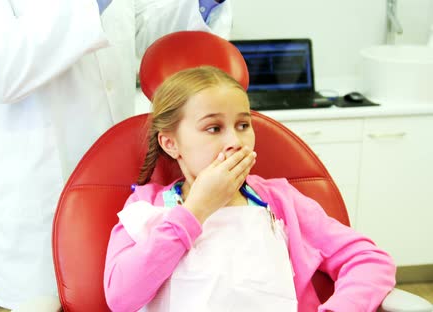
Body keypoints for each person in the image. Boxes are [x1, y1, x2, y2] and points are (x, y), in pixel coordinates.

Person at [0, 0, 232, 309]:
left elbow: (140, 29)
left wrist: (202, 3)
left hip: (111, 179)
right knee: (43, 302)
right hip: (35, 191)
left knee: (121, 291)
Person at [103, 66, 396, 311]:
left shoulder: (280, 202)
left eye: (243, 125)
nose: (235, 141)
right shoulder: (146, 208)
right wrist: (195, 211)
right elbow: (121, 298)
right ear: (171, 143)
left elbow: (369, 260)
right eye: (214, 128)